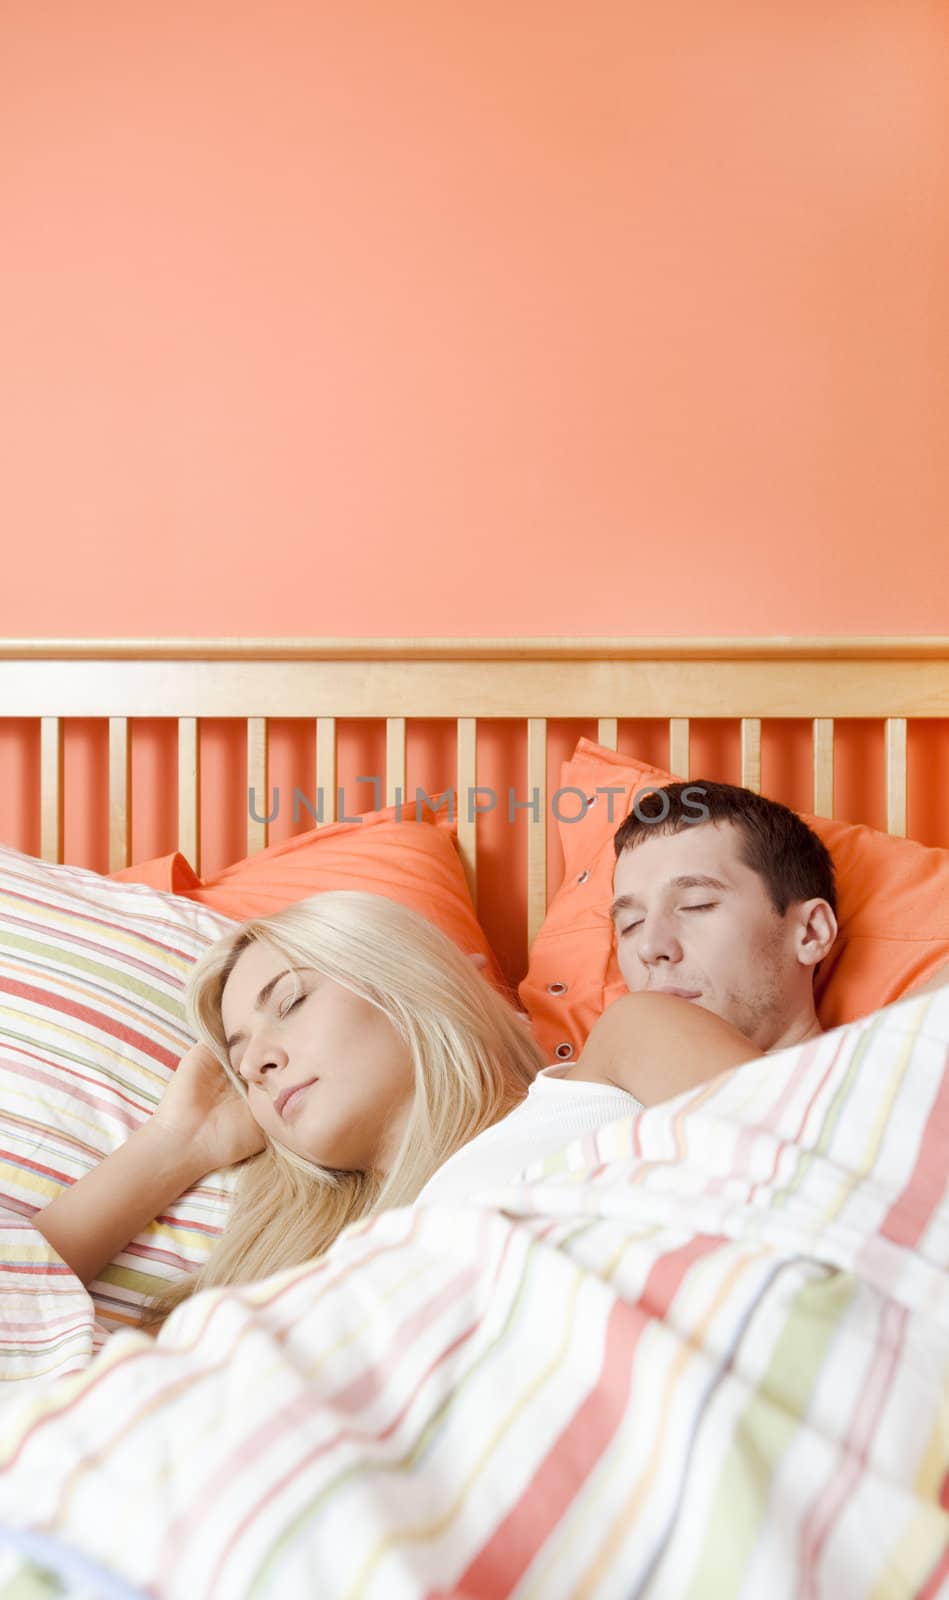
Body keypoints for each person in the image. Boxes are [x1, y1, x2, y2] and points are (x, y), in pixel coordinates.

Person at [32, 891, 546, 1331]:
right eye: (238, 1060)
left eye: (290, 1003)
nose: (254, 1064)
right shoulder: (289, 1293)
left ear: (414, 975)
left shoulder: (596, 1109)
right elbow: (18, 1304)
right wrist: (178, 1141)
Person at [419, 780, 839, 1203]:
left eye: (696, 905)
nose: (651, 947)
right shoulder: (577, 1074)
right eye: (630, 925)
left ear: (811, 931)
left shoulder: (867, 1093)